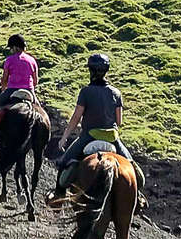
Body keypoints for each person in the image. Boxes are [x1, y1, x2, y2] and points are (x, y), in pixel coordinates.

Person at [49, 53, 145, 207]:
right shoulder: (116, 93)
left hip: (89, 136)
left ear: (90, 71)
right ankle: (138, 197)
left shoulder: (86, 91)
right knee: (132, 166)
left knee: (64, 163)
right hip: (112, 138)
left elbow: (76, 118)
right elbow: (119, 121)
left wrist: (64, 137)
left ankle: (58, 194)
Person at [0, 33, 38, 148]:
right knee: (41, 114)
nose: (10, 50)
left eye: (11, 48)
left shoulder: (9, 60)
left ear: (15, 47)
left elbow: (4, 80)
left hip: (12, 90)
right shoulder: (32, 60)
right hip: (29, 91)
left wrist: (4, 89)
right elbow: (35, 81)